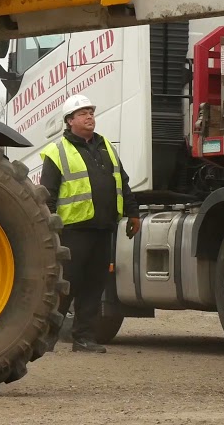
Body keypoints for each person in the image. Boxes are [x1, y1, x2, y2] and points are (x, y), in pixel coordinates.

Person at [39, 93, 140, 353]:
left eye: (91, 113)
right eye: (83, 114)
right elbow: (47, 194)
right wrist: (49, 229)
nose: (89, 117)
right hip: (73, 230)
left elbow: (122, 181)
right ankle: (45, 337)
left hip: (104, 227)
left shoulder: (106, 145)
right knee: (67, 284)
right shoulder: (57, 151)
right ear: (70, 120)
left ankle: (83, 338)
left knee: (94, 285)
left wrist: (134, 213)